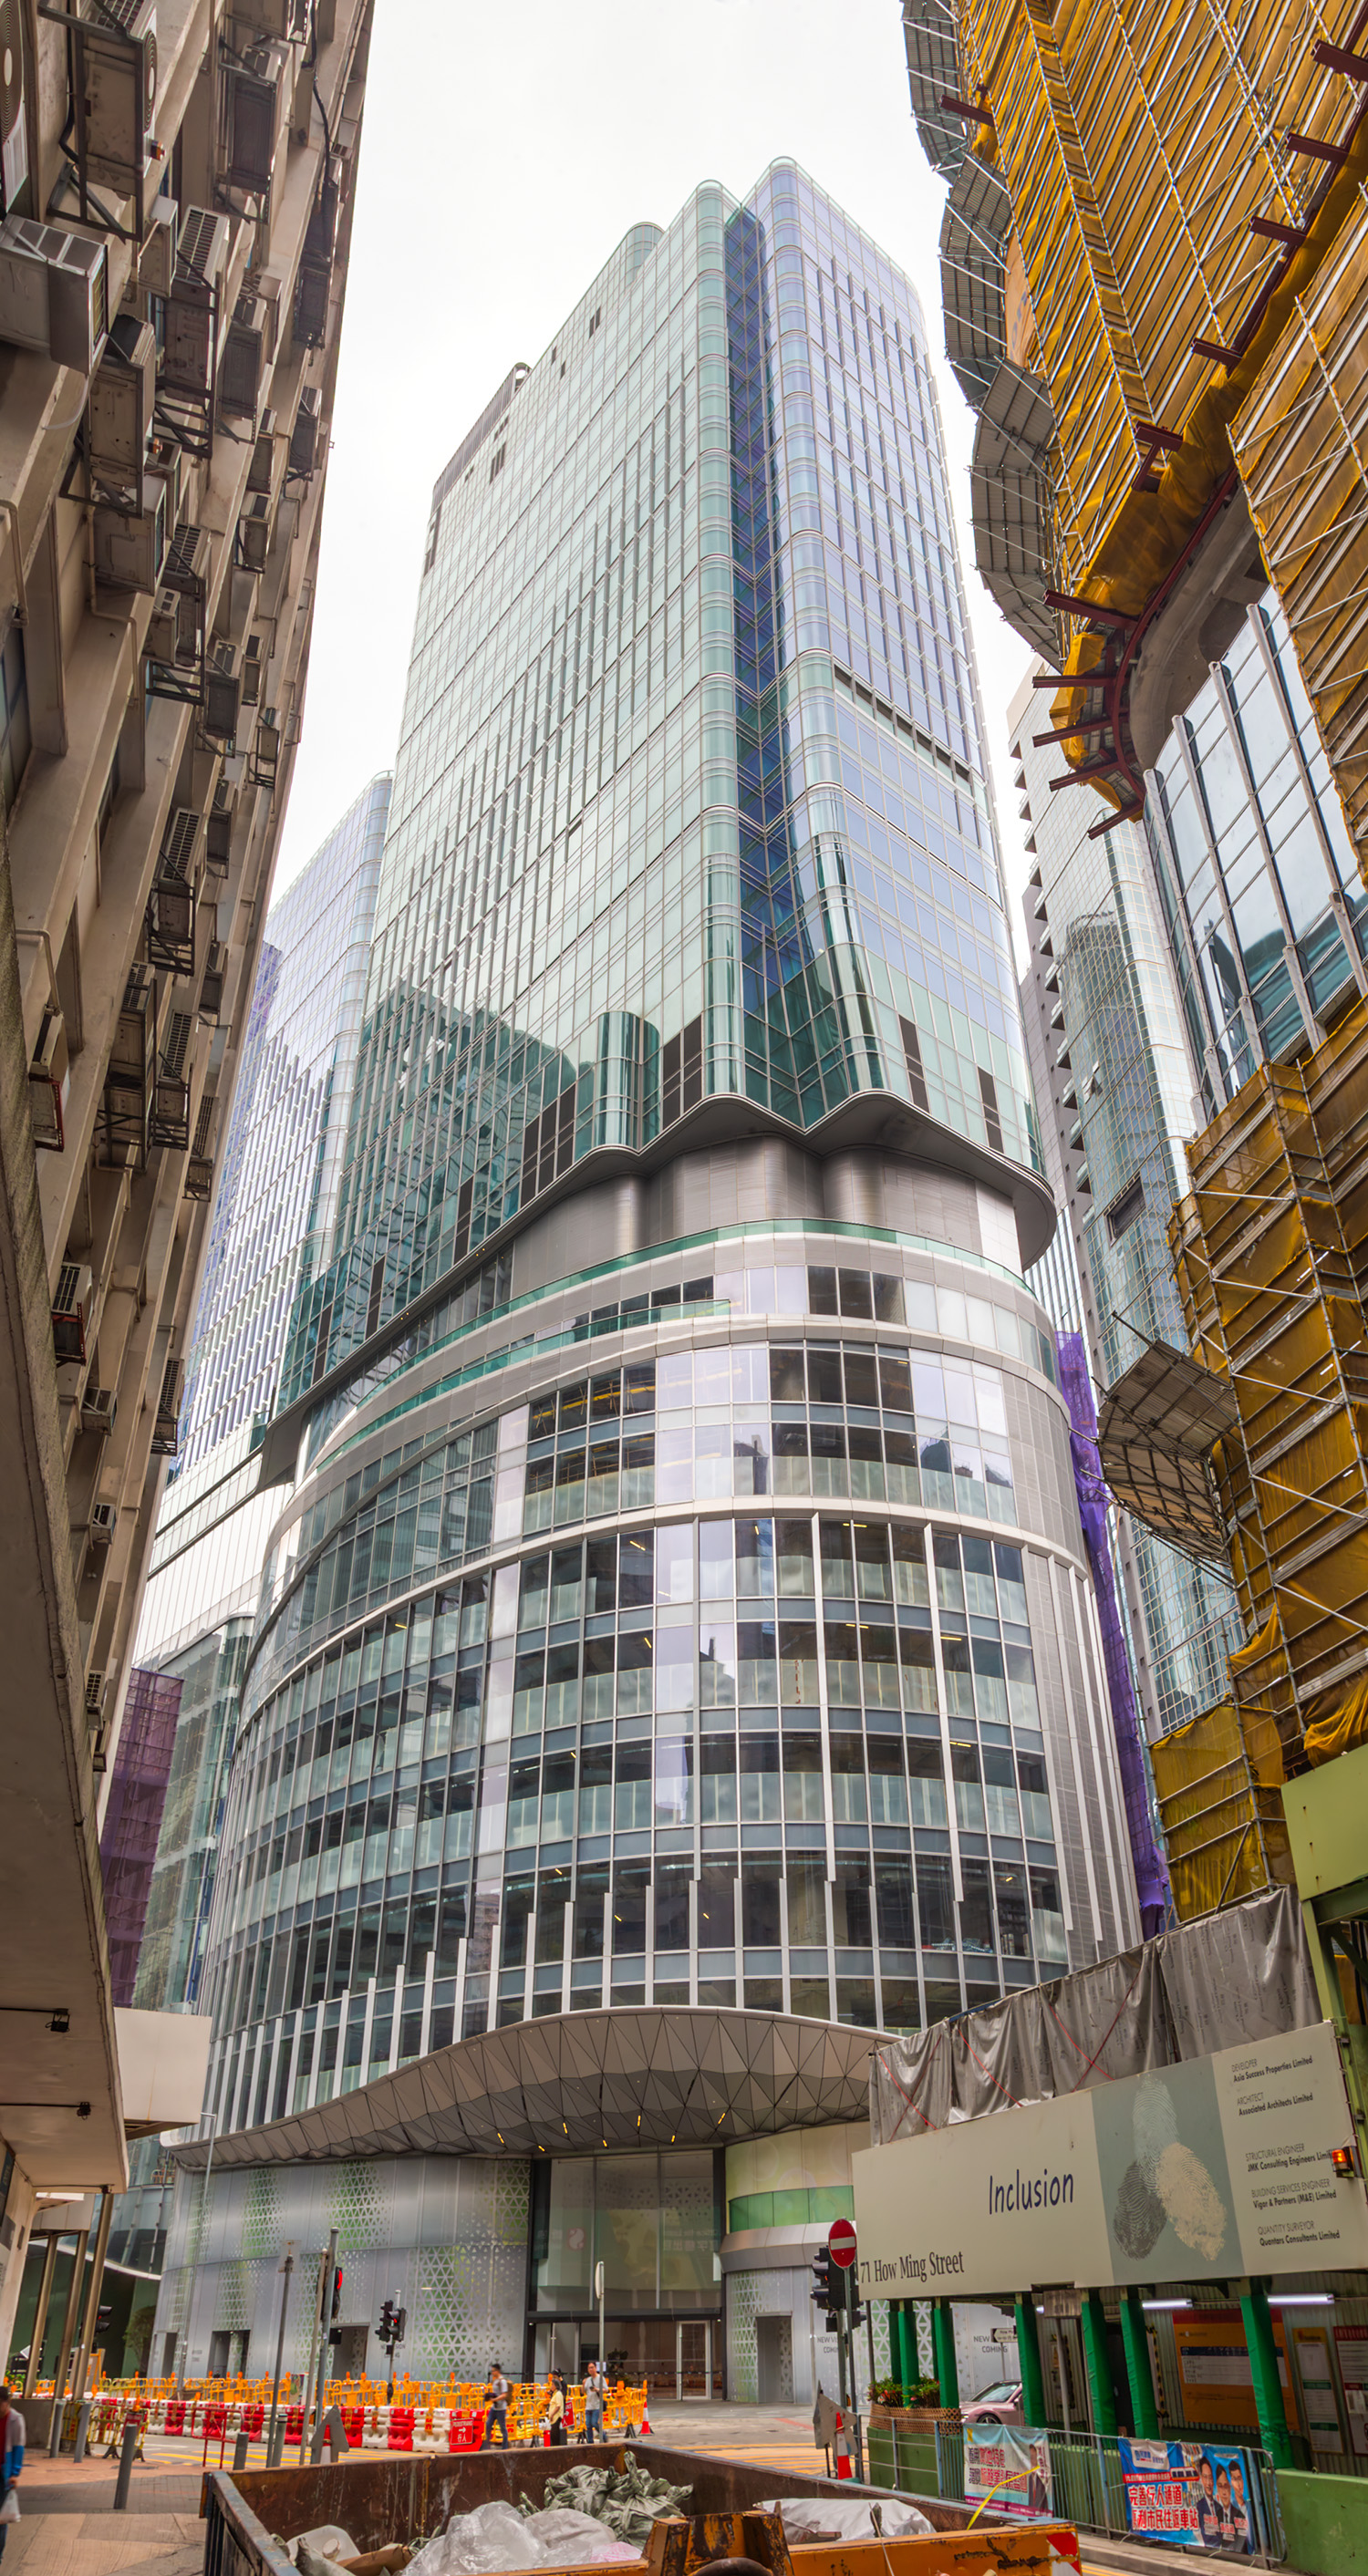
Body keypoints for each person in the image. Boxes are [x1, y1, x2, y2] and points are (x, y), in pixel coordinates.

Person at [0, 2386, 25, 2562]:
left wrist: (15, 2473)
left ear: (7, 2402)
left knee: (1, 2518)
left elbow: (19, 2447)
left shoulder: (16, 2420)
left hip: (4, 2471)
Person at [1193, 2453, 1223, 2548]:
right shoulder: (1198, 2507)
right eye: (1205, 2477)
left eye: (1210, 2477)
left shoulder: (1219, 2506)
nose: (1208, 2483)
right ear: (1201, 2478)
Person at [1226, 2458, 1252, 2554]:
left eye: (1240, 2478)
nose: (1239, 2484)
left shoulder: (1250, 2505)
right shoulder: (1229, 2508)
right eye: (1235, 2479)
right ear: (1230, 2482)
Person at [482, 2363, 510, 2447]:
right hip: (494, 2408)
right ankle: (487, 2445)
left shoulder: (502, 2381)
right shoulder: (495, 2380)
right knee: (488, 2424)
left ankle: (505, 2447)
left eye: (493, 2371)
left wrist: (495, 2399)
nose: (492, 2373)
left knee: (503, 2428)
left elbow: (504, 2394)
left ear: (497, 2371)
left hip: (501, 2408)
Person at [583, 2357, 604, 2444]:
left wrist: (597, 2389)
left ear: (596, 2368)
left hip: (597, 2405)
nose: (591, 2369)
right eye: (589, 2368)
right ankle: (590, 2442)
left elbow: (606, 2389)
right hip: (588, 2406)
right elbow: (583, 2392)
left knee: (594, 2423)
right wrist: (583, 2384)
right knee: (588, 2425)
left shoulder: (600, 2378)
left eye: (592, 2367)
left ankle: (603, 2435)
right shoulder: (587, 2380)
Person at [546, 2371, 565, 2447]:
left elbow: (558, 2406)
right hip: (554, 2417)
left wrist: (552, 2414)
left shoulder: (558, 2394)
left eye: (552, 2385)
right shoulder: (555, 2394)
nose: (551, 2386)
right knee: (553, 2435)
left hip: (556, 2417)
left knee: (555, 2436)